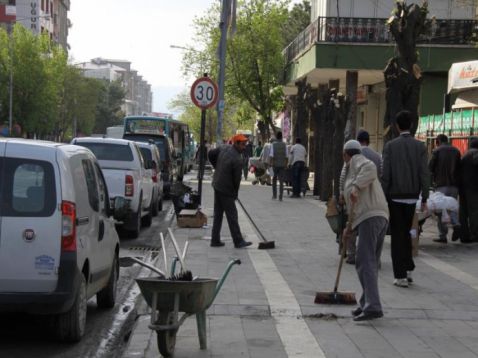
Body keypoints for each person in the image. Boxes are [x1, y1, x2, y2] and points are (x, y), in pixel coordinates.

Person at [381, 110, 429, 288]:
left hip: (395, 197)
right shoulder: (421, 147)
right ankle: (408, 267)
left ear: (396, 126)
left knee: (397, 236)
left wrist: (383, 196)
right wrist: (425, 196)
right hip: (412, 197)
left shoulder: (391, 146)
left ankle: (400, 275)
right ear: (411, 125)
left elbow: (386, 175)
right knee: (409, 232)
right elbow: (425, 174)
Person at [342, 140, 389, 321]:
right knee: (371, 263)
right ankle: (366, 302)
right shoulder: (350, 169)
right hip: (377, 216)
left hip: (371, 217)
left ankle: (373, 306)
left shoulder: (357, 160)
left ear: (346, 153)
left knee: (364, 261)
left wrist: (355, 186)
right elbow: (354, 205)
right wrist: (349, 227)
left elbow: (370, 168)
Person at [207, 134, 252, 248]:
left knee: (218, 214)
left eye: (245, 144)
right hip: (225, 189)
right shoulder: (237, 159)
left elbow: (210, 154)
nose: (244, 147)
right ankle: (238, 241)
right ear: (236, 143)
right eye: (242, 144)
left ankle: (215, 239)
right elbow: (236, 181)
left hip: (217, 184)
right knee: (232, 215)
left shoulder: (225, 148)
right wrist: (234, 194)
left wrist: (217, 168)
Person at [428, 134, 462, 243]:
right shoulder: (456, 151)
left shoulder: (437, 151)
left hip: (441, 184)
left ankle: (443, 236)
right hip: (454, 185)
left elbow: (430, 167)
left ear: (438, 141)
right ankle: (456, 224)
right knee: (452, 206)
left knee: (440, 210)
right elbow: (459, 167)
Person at [460, 138, 478, 243]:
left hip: (463, 187)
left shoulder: (465, 154)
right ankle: (475, 234)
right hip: (473, 188)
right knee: (474, 212)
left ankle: (464, 234)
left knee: (463, 212)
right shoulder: (475, 154)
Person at [269, 132, 288, 201]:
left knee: (274, 180)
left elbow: (271, 155)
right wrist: (286, 165)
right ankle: (281, 196)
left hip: (275, 165)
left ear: (276, 137)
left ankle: (274, 195)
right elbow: (286, 156)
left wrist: (270, 164)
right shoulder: (284, 145)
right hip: (282, 165)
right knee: (281, 181)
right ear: (281, 137)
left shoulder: (273, 145)